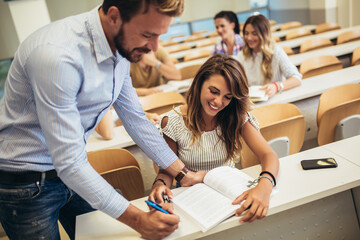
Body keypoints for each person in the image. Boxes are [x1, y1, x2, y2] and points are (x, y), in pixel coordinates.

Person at [0, 1, 206, 240]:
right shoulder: (57, 55)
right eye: (148, 35)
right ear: (114, 16)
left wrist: (183, 174)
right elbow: (68, 162)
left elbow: (136, 119)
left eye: (159, 35)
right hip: (25, 183)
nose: (153, 47)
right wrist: (140, 221)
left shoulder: (122, 45)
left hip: (73, 170)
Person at [149, 54, 279, 223]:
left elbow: (269, 155)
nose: (218, 101)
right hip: (192, 197)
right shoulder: (173, 122)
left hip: (230, 193)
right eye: (214, 91)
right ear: (200, 84)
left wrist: (265, 186)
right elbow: (166, 170)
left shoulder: (236, 116)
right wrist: (160, 185)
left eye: (228, 96)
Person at [237, 14, 302, 98]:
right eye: (246, 33)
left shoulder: (276, 51)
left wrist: (277, 86)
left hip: (277, 99)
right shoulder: (241, 56)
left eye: (254, 33)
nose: (249, 38)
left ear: (263, 34)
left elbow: (296, 79)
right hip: (254, 102)